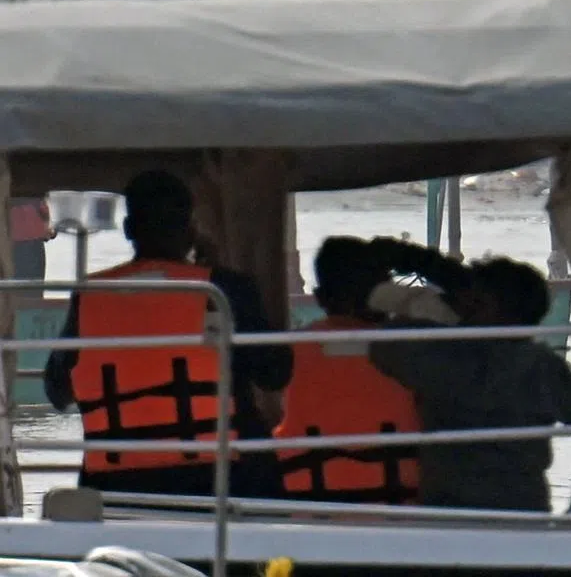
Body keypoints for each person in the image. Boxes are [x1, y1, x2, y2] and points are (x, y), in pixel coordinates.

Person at [43, 170, 293, 497]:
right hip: (220, 479)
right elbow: (275, 375)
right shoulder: (224, 288)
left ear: (130, 230)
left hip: (117, 485)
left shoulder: (89, 296)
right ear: (191, 232)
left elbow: (58, 393)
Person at [362, 238, 571, 512]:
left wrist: (439, 294)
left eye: (473, 300)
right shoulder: (541, 367)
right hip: (525, 509)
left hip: (448, 511)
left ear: (494, 306)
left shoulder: (444, 358)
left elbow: (384, 345)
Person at [274, 237, 421, 504]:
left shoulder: (288, 351)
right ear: (383, 292)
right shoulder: (412, 348)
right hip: (401, 505)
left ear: (320, 298)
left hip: (310, 503)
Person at [10, 197, 53, 297]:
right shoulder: (33, 190)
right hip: (33, 241)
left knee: (11, 290)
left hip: (11, 242)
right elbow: (44, 213)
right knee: (34, 290)